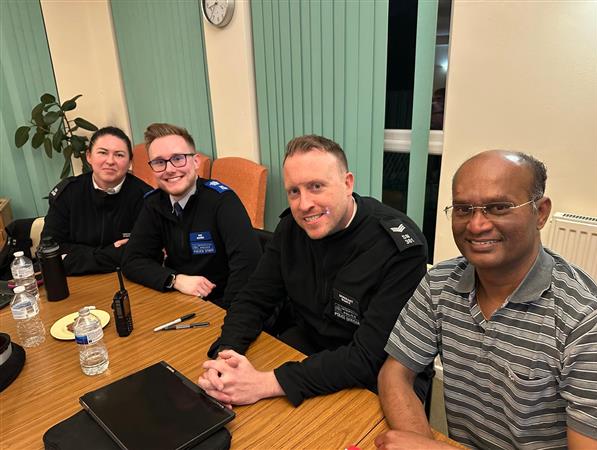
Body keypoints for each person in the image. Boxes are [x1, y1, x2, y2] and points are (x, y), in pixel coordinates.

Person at [377, 150, 597, 449]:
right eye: (463, 209)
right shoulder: (439, 282)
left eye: (498, 207)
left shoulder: (585, 319)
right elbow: (395, 373)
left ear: (540, 212)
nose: (476, 225)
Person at [198, 134, 430, 408]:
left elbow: (368, 357)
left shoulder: (399, 248)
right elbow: (254, 299)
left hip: (377, 374)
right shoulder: (291, 229)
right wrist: (227, 356)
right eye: (294, 191)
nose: (304, 204)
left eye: (316, 186)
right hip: (309, 348)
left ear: (347, 183)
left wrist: (264, 383)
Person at [122, 123, 261, 309]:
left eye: (178, 158)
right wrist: (175, 280)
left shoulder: (222, 201)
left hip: (223, 304)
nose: (169, 169)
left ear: (196, 162)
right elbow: (132, 261)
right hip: (181, 299)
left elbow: (248, 266)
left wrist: (227, 314)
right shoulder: (154, 203)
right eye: (159, 162)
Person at [42, 126, 152, 275]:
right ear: (89, 156)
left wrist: (74, 257)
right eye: (102, 153)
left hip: (127, 278)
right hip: (75, 282)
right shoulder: (68, 193)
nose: (110, 161)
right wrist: (113, 254)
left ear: (130, 162)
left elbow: (145, 252)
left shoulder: (145, 197)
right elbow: (50, 251)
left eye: (119, 155)